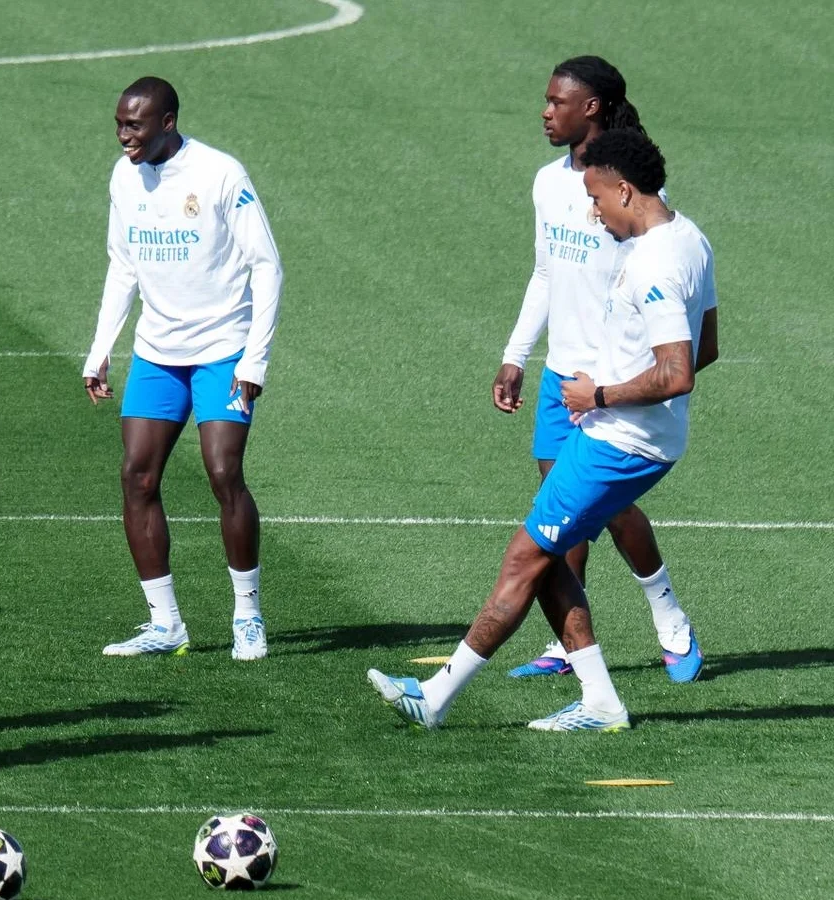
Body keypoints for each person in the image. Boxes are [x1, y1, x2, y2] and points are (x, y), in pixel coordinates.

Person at [370, 128, 719, 732]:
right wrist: (606, 385)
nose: (592, 210)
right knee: (548, 555)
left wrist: (601, 394)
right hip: (622, 430)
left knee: (524, 558)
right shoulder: (690, 239)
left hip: (623, 442)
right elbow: (708, 344)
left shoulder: (655, 264)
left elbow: (679, 372)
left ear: (626, 190)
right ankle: (600, 701)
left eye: (597, 198)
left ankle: (436, 697)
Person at [493, 56, 702, 682]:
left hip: (611, 387)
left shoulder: (633, 193)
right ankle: (569, 645)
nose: (545, 111)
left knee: (610, 509)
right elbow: (544, 272)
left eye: (558, 101)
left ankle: (669, 618)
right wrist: (515, 354)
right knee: (563, 512)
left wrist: (620, 387)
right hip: (564, 379)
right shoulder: (546, 183)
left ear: (593, 108)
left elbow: (658, 298)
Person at [82, 77, 284, 661]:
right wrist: (99, 351)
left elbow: (267, 267)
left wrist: (255, 358)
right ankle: (164, 623)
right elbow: (122, 267)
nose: (124, 136)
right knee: (136, 476)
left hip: (222, 347)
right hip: (156, 352)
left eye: (135, 125)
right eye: (120, 123)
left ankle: (248, 614)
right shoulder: (125, 176)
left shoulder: (220, 174)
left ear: (167, 121)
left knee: (224, 473)